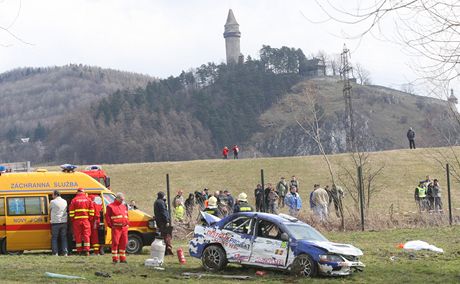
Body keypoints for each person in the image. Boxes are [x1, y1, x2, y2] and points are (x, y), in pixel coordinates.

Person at [69, 188, 94, 256]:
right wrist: (90, 219)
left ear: (77, 192)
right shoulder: (88, 199)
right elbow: (92, 210)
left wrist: (72, 219)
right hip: (86, 220)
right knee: (86, 235)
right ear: (84, 192)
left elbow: (71, 212)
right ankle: (87, 251)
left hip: (77, 221)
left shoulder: (74, 200)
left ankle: (79, 251)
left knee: (78, 235)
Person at [105, 192, 129, 263]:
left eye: (123, 199)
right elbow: (107, 217)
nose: (122, 201)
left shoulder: (124, 206)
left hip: (124, 227)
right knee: (115, 242)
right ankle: (115, 258)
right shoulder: (110, 206)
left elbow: (126, 216)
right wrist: (111, 225)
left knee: (124, 242)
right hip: (116, 227)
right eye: (121, 199)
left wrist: (127, 223)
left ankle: (122, 258)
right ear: (117, 198)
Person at [154, 191, 173, 256]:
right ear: (162, 196)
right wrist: (167, 221)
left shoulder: (156, 202)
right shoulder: (161, 202)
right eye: (164, 196)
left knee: (163, 236)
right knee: (167, 236)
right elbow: (163, 212)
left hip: (159, 222)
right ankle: (168, 250)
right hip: (163, 222)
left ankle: (164, 250)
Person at [50, 190, 68, 256]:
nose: (52, 196)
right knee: (64, 238)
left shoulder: (52, 202)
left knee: (54, 238)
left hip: (55, 222)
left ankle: (55, 253)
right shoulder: (64, 201)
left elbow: (49, 209)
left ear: (56, 195)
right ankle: (65, 252)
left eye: (52, 194)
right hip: (64, 222)